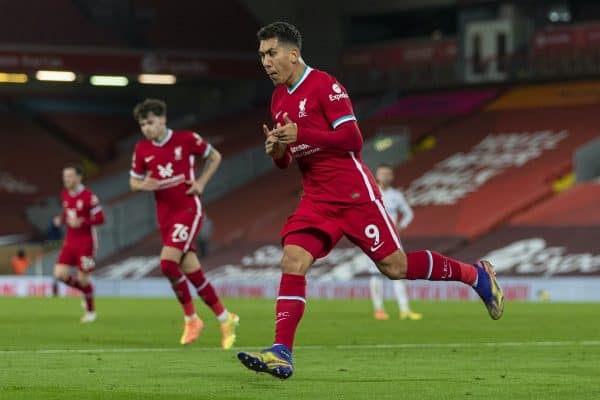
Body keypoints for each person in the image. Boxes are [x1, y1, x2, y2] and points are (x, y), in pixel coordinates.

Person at [237, 22, 504, 380]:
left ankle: (476, 275)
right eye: (261, 56)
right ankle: (282, 352)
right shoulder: (278, 98)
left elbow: (353, 138)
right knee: (293, 260)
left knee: (395, 267)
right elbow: (287, 159)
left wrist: (303, 132)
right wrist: (278, 150)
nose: (266, 62)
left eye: (271, 54)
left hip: (354, 196)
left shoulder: (324, 85)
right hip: (316, 199)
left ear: (293, 54)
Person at [129, 99, 239, 348]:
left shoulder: (186, 139)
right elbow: (133, 182)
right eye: (143, 124)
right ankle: (225, 318)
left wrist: (200, 183)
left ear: (163, 119)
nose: (147, 128)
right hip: (165, 215)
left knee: (168, 263)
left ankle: (191, 319)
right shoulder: (142, 149)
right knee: (192, 272)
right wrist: (141, 185)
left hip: (188, 209)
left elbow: (215, 157)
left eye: (151, 122)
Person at [368, 164, 421, 321]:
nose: (385, 177)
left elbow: (408, 213)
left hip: (393, 238)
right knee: (376, 274)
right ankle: (379, 309)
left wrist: (401, 226)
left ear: (392, 176)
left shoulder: (396, 195)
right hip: (373, 237)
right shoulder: (370, 191)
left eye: (388, 174)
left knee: (401, 272)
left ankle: (404, 310)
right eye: (382, 174)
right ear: (377, 175)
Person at [53, 164, 104, 323]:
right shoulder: (65, 195)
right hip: (70, 241)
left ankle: (91, 312)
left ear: (79, 177)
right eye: (64, 176)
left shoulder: (89, 196)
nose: (66, 179)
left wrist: (83, 222)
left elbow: (101, 218)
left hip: (86, 243)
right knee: (59, 274)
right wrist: (60, 220)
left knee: (83, 279)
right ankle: (85, 291)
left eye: (69, 176)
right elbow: (67, 211)